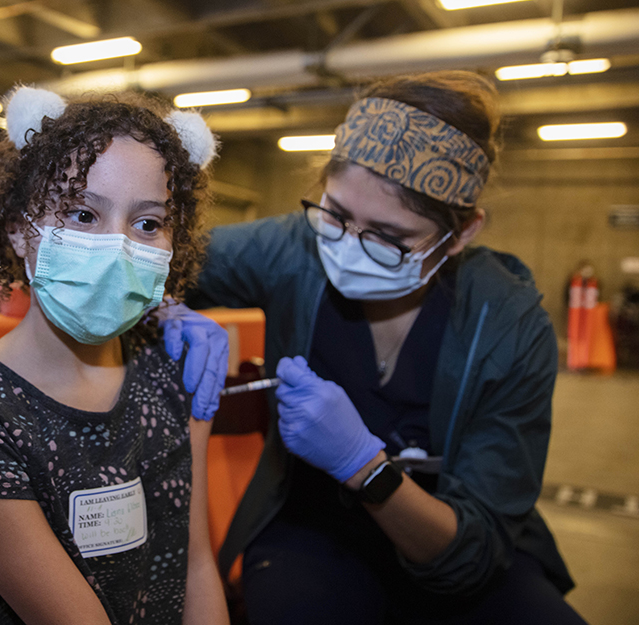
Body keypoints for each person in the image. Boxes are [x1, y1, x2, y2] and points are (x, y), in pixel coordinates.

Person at [167, 71, 588, 623]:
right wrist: (161, 303)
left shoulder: (508, 323)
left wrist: (363, 465)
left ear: (461, 234)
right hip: (314, 528)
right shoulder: (294, 249)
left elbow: (472, 556)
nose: (348, 248)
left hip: (447, 536)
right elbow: (159, 252)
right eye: (337, 216)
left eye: (389, 238)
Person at [0, 86, 229, 625]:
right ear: (18, 230)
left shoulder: (170, 368)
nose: (118, 248)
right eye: (83, 214)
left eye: (148, 223)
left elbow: (196, 565)